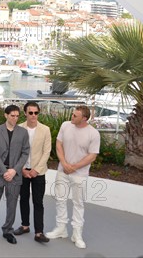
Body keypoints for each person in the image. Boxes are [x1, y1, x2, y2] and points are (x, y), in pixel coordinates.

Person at [46, 105, 100, 249]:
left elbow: (92, 156)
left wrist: (74, 167)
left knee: (78, 204)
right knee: (60, 200)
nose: (72, 117)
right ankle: (61, 229)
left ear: (84, 118)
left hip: (80, 175)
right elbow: (58, 145)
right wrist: (64, 163)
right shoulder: (65, 126)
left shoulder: (93, 133)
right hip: (62, 171)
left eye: (75, 116)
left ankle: (77, 234)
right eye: (72, 114)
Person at [0, 104, 30, 244]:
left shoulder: (23, 132)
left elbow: (25, 152)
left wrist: (14, 170)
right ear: (6, 115)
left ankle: (8, 230)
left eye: (17, 116)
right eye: (12, 116)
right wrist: (4, 171)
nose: (15, 118)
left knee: (12, 204)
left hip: (14, 174)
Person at [13, 101, 52, 243]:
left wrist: (36, 169)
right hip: (22, 171)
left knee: (38, 202)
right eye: (31, 113)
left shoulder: (45, 130)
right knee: (23, 199)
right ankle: (25, 226)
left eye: (36, 112)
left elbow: (46, 151)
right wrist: (21, 169)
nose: (34, 115)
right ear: (25, 113)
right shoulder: (19, 128)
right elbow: (15, 151)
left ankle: (39, 232)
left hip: (38, 172)